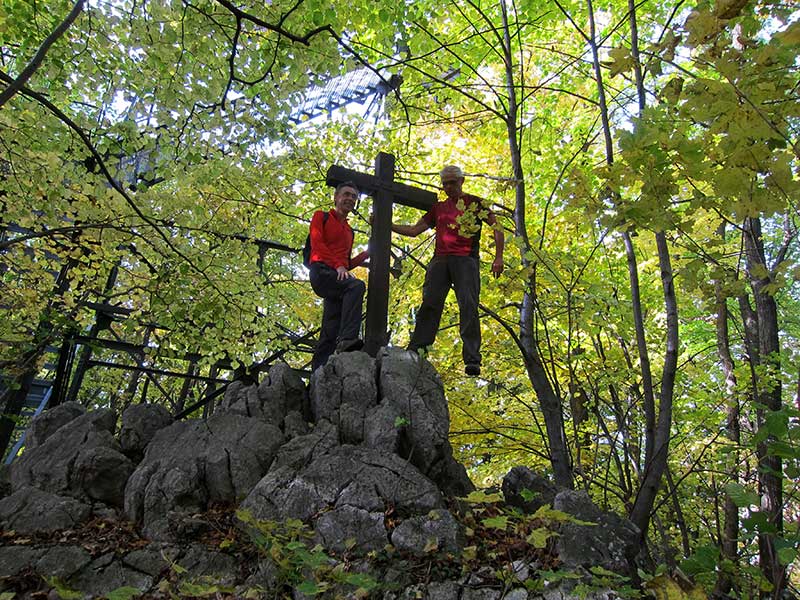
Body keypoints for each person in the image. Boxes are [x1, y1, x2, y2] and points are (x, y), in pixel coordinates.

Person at [391, 166, 504, 376]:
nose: (448, 187)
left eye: (452, 182)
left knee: (468, 304)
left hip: (465, 260)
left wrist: (498, 257)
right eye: (445, 183)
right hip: (440, 261)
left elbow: (497, 226)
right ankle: (418, 350)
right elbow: (415, 231)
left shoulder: (475, 202)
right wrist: (387, 224)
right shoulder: (438, 208)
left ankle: (472, 359)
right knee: (430, 304)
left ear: (462, 181)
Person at [308, 181, 369, 371]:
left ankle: (318, 373)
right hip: (322, 271)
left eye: (354, 197)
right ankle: (348, 339)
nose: (350, 199)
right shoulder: (322, 217)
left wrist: (367, 253)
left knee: (330, 328)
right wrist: (338, 266)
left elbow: (347, 263)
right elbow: (317, 244)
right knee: (356, 286)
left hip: (337, 278)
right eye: (346, 194)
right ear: (336, 197)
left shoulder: (349, 231)